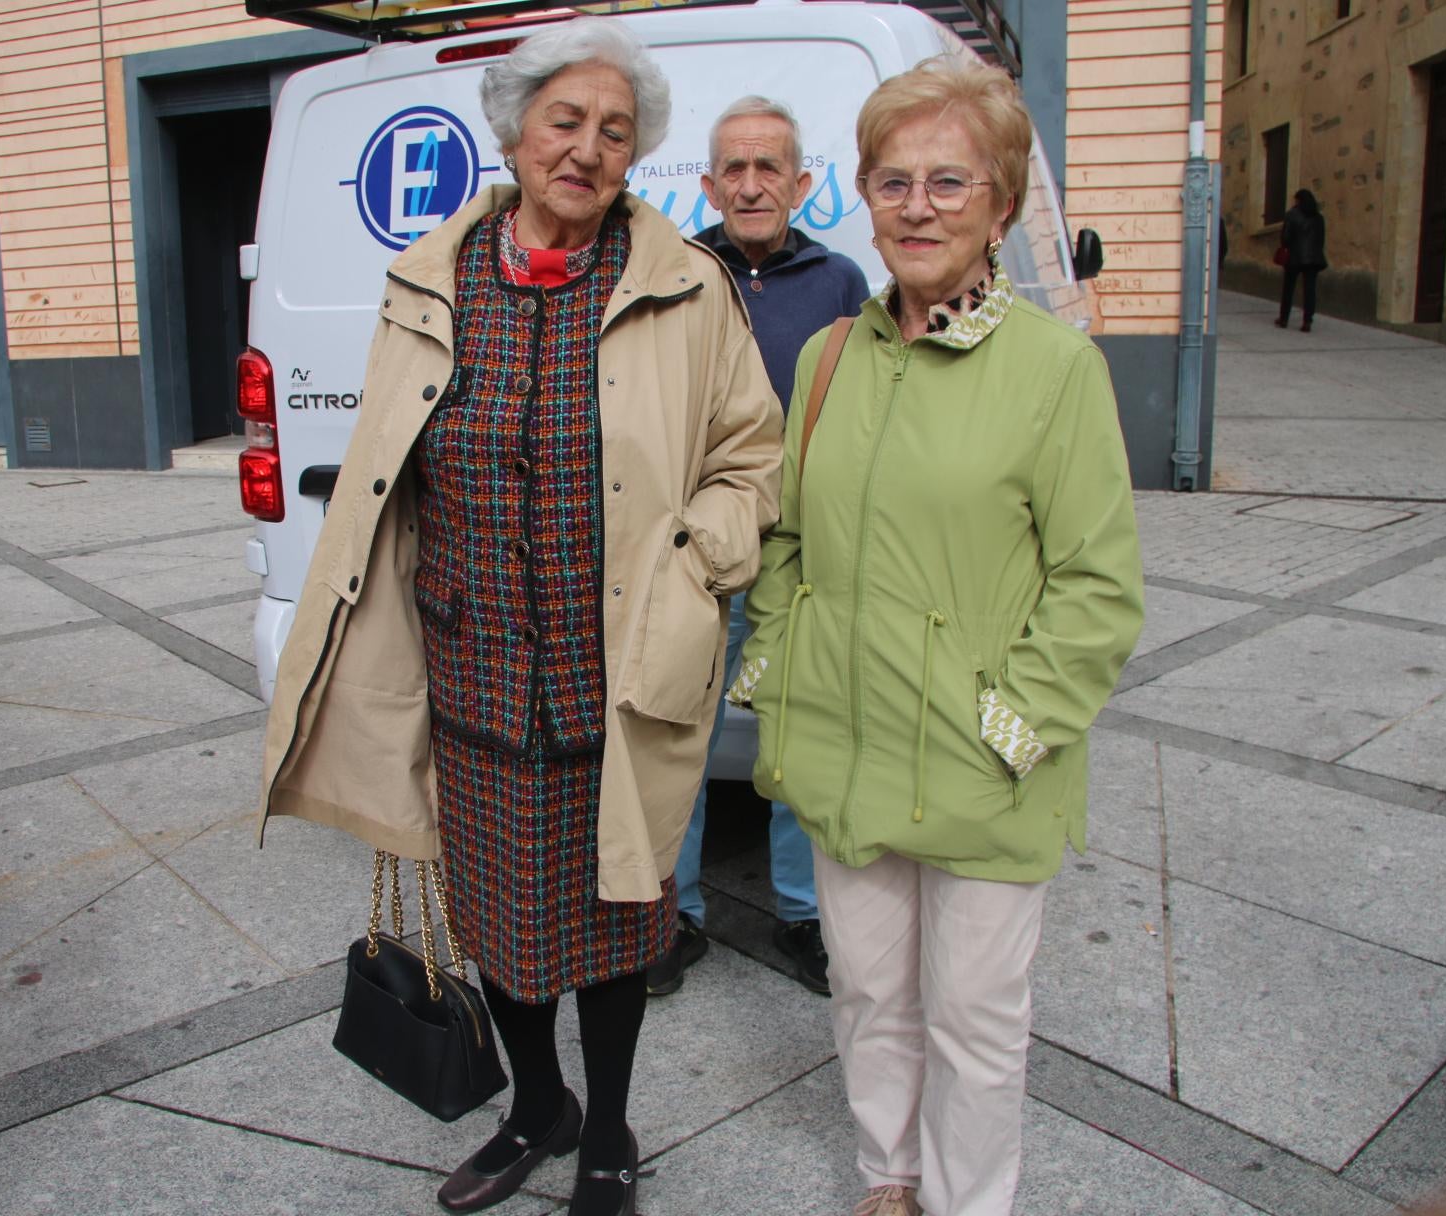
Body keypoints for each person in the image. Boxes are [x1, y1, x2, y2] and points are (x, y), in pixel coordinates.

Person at [256, 20, 781, 1216]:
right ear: (514, 133)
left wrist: (697, 559)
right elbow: (388, 455)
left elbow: (751, 459)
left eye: (615, 132)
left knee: (617, 924)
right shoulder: (430, 280)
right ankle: (539, 1107)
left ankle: (609, 1126)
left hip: (620, 668)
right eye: (566, 121)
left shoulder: (686, 285)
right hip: (472, 667)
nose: (588, 149)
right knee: (497, 922)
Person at [729, 59, 1143, 1216]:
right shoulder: (828, 360)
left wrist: (1013, 726)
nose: (918, 207)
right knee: (868, 995)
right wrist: (780, 668)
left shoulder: (1056, 369)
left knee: (974, 1020)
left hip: (982, 764)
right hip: (848, 747)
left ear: (999, 206)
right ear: (864, 196)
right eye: (894, 181)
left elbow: (1098, 585)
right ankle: (888, 1178)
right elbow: (788, 538)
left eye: (949, 182)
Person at [646, 96, 868, 998]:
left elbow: (864, 412)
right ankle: (674, 915)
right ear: (706, 185)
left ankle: (805, 916)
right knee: (681, 738)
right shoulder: (677, 273)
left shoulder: (840, 282)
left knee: (802, 735)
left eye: (768, 166)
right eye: (732, 169)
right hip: (701, 553)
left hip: (802, 554)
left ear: (801, 183)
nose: (749, 184)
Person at [1275, 188, 1327, 331]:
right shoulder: (1319, 217)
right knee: (1310, 290)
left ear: (1298, 200)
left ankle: (1284, 318)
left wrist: (1286, 246)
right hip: (1313, 258)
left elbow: (1285, 237)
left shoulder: (1292, 215)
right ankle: (1307, 321)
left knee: (1288, 288)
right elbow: (1321, 239)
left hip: (1294, 257)